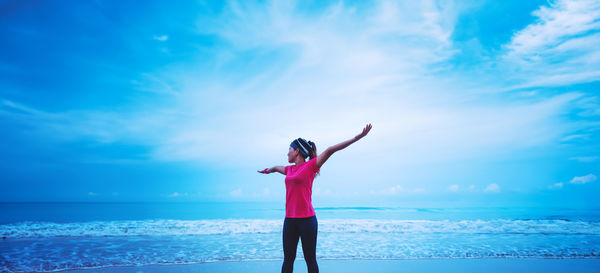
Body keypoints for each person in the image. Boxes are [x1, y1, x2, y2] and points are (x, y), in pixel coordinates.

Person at [258, 123, 373, 273]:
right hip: (290, 221)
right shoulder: (289, 169)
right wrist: (266, 171)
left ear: (297, 151)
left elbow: (331, 149)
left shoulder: (311, 166)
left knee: (310, 260)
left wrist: (357, 138)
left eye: (289, 150)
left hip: (307, 221)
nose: (287, 153)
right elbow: (275, 168)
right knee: (288, 260)